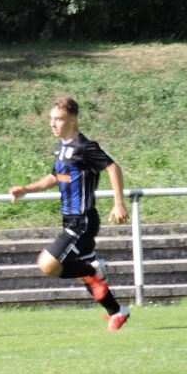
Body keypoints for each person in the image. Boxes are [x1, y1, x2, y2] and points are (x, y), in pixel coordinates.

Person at [9, 97, 131, 331]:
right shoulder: (61, 148)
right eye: (51, 119)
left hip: (82, 221)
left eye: (58, 119)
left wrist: (119, 204)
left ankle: (94, 270)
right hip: (71, 219)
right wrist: (26, 189)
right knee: (83, 275)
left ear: (73, 119)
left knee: (48, 265)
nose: (53, 124)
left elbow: (113, 168)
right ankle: (117, 311)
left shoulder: (85, 147)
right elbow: (54, 177)